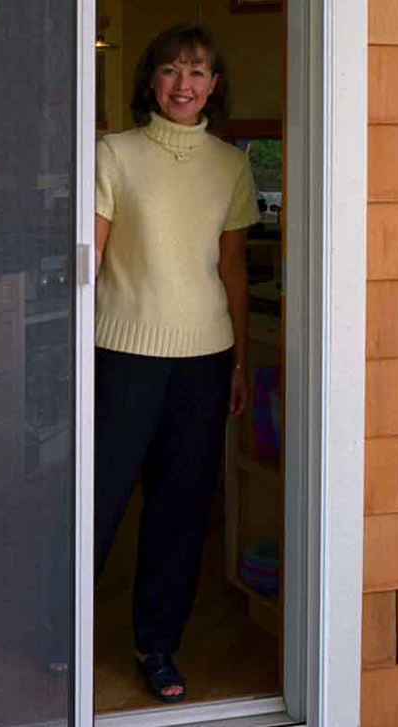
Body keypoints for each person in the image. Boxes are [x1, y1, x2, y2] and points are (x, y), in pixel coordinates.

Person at [93, 23, 259, 703]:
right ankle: (56, 631)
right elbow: (89, 260)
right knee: (95, 501)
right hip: (121, 353)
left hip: (204, 361)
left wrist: (240, 362)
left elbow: (232, 269)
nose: (183, 85)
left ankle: (157, 645)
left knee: (181, 510)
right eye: (170, 70)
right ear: (151, 80)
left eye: (196, 72)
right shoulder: (114, 154)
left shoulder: (231, 166)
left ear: (214, 85)